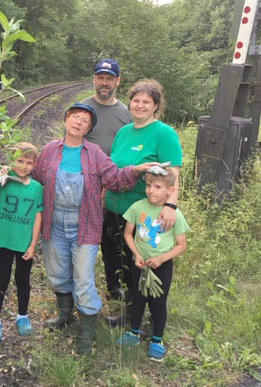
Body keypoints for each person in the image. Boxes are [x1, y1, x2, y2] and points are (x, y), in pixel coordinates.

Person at [31, 103, 157, 355]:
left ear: (89, 129)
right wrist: (10, 176)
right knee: (57, 272)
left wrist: (136, 170)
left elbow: (114, 178)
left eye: (84, 121)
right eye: (75, 117)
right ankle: (65, 314)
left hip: (85, 225)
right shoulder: (49, 151)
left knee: (83, 278)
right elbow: (34, 180)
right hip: (54, 224)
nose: (78, 122)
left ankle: (87, 332)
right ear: (66, 120)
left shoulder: (95, 153)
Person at [103, 79, 183, 325]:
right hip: (115, 209)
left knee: (137, 263)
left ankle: (138, 315)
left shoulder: (164, 134)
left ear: (155, 106)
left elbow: (174, 176)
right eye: (136, 101)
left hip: (143, 213)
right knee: (116, 260)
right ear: (129, 103)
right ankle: (129, 307)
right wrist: (101, 201)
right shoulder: (124, 132)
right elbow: (112, 171)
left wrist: (170, 206)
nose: (139, 106)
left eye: (146, 102)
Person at [117, 166, 189, 361]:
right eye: (149, 185)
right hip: (139, 264)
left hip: (161, 267)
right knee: (138, 298)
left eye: (157, 187)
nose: (151, 190)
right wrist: (136, 254)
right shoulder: (138, 207)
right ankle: (134, 332)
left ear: (170, 190)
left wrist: (161, 259)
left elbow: (181, 245)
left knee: (158, 302)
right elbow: (127, 234)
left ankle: (157, 340)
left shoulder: (174, 215)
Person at [0, 142, 44, 343]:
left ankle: (22, 316)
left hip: (24, 243)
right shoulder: (3, 182)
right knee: (1, 279)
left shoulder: (36, 188)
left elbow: (37, 217)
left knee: (23, 280)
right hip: (4, 242)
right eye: (19, 161)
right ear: (11, 161)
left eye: (28, 163)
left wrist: (33, 245)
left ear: (34, 165)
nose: (24, 166)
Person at [81, 59, 133, 301]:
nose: (104, 82)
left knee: (114, 239)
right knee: (82, 239)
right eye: (100, 77)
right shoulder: (83, 109)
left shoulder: (126, 113)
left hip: (115, 188)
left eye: (109, 78)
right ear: (94, 79)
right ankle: (78, 286)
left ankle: (115, 286)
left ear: (117, 81)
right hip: (85, 186)